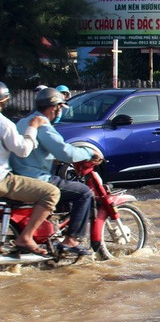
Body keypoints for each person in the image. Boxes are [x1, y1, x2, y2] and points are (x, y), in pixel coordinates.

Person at [12, 88, 101, 256]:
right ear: (55, 107)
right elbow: (65, 152)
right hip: (37, 178)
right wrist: (89, 153)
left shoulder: (23, 121)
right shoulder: (42, 124)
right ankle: (71, 241)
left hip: (20, 176)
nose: (60, 112)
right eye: (60, 108)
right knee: (83, 193)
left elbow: (41, 150)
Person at [0, 82, 60, 255]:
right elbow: (23, 150)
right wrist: (32, 128)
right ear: (4, 101)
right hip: (2, 180)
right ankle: (26, 237)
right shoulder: (4, 124)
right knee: (52, 193)